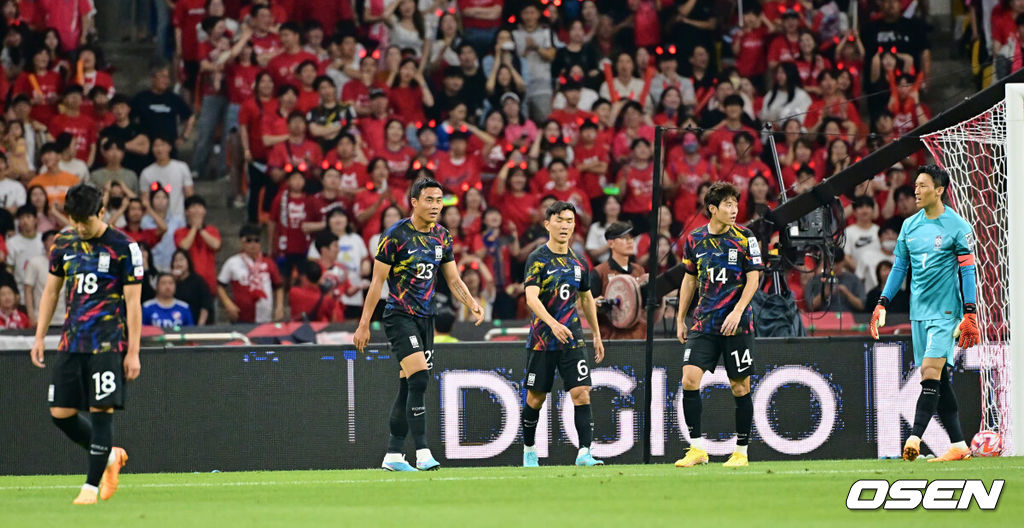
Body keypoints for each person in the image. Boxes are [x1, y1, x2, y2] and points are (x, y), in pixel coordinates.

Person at [352, 178, 484, 472]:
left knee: (408, 385)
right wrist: (363, 325)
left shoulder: (442, 237)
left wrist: (471, 302)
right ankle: (423, 453)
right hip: (399, 315)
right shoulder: (395, 236)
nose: (436, 206)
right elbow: (377, 283)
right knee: (421, 379)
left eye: (439, 201)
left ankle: (394, 455)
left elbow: (452, 279)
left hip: (427, 318)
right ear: (414, 202)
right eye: (429, 200)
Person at [30, 182, 141, 504]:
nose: (80, 227)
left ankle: (90, 487)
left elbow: (134, 304)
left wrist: (133, 351)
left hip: (107, 344)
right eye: (75, 220)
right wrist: (40, 336)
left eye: (86, 221)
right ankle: (108, 456)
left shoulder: (124, 247)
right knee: (60, 413)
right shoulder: (64, 241)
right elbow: (51, 292)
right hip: (71, 341)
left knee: (101, 410)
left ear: (102, 212)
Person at [870, 165, 978, 463]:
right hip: (919, 314)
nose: (916, 190)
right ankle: (958, 445)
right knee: (938, 379)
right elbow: (900, 268)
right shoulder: (909, 226)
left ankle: (915, 437)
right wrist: (882, 302)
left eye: (922, 185)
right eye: (915, 185)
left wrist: (970, 311)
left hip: (946, 313)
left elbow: (967, 271)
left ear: (939, 189)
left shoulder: (957, 226)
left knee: (929, 373)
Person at [674, 182, 763, 469]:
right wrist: (680, 317)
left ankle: (741, 452)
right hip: (704, 323)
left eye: (735, 204)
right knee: (689, 379)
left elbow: (753, 278)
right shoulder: (694, 239)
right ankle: (697, 448)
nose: (734, 209)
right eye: (727, 204)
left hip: (736, 325)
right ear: (712, 209)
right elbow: (689, 278)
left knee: (740, 386)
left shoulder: (746, 237)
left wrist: (738, 311)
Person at [519, 200, 604, 468]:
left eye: (569, 220)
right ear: (548, 224)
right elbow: (531, 297)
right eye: (559, 220)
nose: (565, 225)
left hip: (573, 338)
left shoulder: (579, 262)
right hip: (543, 339)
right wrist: (552, 323)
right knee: (536, 397)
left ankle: (584, 452)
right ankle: (529, 449)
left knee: (581, 392)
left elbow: (587, 299)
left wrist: (597, 335)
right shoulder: (537, 258)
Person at [591, 221, 648, 340]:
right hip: (611, 341)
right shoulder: (599, 272)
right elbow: (588, 307)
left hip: (639, 339)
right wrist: (597, 305)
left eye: (631, 238)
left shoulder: (639, 270)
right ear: (611, 243)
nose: (630, 241)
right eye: (624, 238)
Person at [217, 224, 284, 323]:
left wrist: (279, 307)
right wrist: (228, 303)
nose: (253, 244)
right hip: (241, 318)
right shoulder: (232, 262)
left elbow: (279, 286)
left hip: (265, 318)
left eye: (256, 240)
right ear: (242, 242)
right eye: (249, 240)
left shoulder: (268, 263)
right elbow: (220, 285)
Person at [139, 136, 195, 218]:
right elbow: (145, 200)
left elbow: (189, 195)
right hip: (155, 220)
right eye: (156, 146)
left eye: (162, 145)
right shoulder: (146, 172)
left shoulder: (182, 167)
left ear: (169, 147)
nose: (159, 149)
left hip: (179, 217)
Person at [6, 204, 44, 297]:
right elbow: (9, 270)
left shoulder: (43, 240)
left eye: (28, 217)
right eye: (21, 218)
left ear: (35, 220)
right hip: (20, 291)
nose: (25, 221)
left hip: (41, 290)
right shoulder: (12, 242)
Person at [169, 248, 212, 325]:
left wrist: (200, 326)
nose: (178, 263)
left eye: (181, 260)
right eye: (175, 260)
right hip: (174, 323)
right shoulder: (171, 281)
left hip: (195, 323)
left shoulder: (198, 281)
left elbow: (205, 305)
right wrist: (172, 279)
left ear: (188, 262)